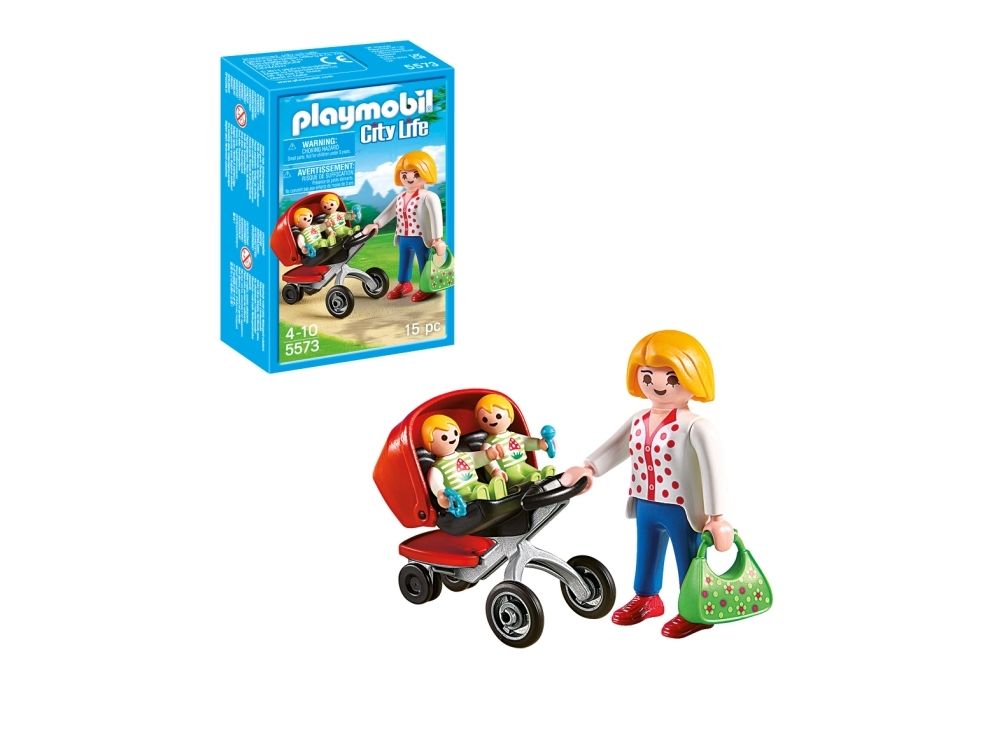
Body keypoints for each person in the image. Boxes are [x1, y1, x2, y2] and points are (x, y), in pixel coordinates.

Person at [561, 330, 735, 639]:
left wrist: (717, 517)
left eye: (671, 377)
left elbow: (714, 471)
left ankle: (694, 610)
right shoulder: (639, 419)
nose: (657, 384)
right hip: (644, 502)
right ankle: (647, 598)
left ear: (694, 377)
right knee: (647, 553)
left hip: (683, 508)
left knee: (689, 559)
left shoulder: (696, 426)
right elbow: (615, 447)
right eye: (647, 375)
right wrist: (589, 468)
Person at [362, 150, 446, 302]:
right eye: (404, 174)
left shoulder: (429, 196)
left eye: (415, 173)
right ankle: (404, 284)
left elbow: (436, 217)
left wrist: (438, 239)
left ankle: (427, 286)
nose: (409, 178)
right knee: (404, 261)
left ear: (426, 172)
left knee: (425, 262)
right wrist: (376, 224)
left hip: (421, 237)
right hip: (403, 236)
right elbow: (389, 212)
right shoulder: (400, 196)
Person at [422, 415, 508, 509]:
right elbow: (436, 482)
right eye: (444, 437)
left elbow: (477, 458)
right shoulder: (437, 468)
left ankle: (499, 495)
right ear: (428, 445)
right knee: (479, 491)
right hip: (460, 494)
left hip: (476, 484)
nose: (451, 438)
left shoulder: (464, 456)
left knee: (486, 487)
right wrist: (441, 493)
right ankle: (485, 506)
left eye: (455, 433)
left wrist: (489, 454)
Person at [474, 393, 556, 486]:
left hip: (522, 464)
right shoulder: (488, 444)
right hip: (505, 472)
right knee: (520, 478)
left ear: (510, 416)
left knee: (534, 472)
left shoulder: (514, 436)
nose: (492, 421)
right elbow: (488, 460)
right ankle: (529, 483)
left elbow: (526, 442)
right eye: (485, 419)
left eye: (498, 416)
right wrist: (495, 470)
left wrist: (540, 444)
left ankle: (544, 477)